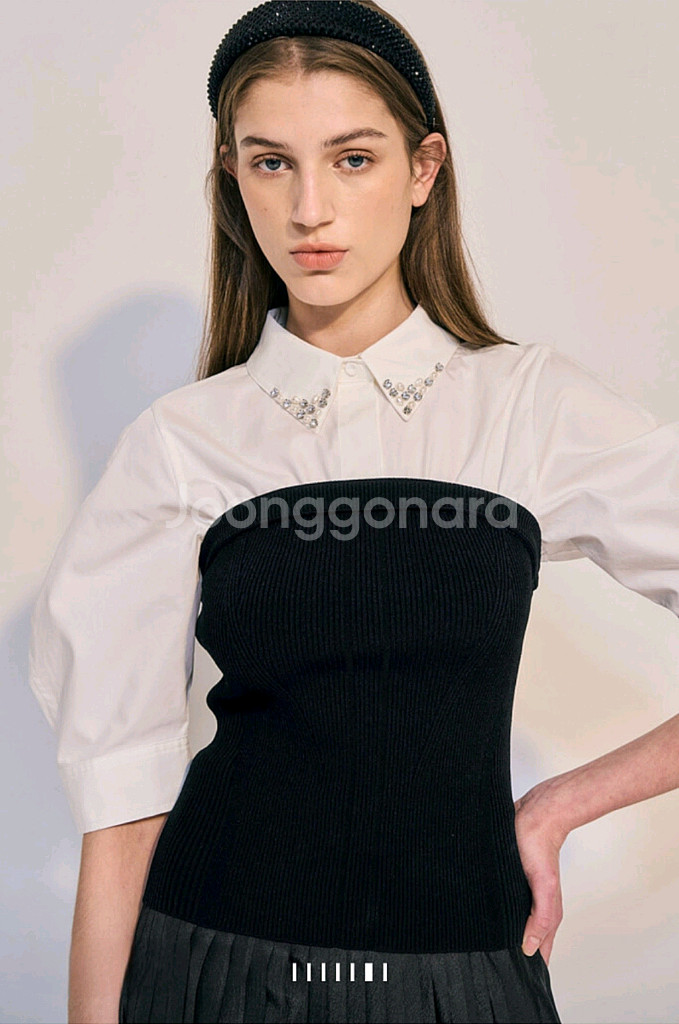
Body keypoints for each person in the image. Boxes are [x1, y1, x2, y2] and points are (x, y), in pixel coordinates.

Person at [27, 2, 679, 1022]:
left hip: (468, 973)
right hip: (216, 969)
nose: (309, 209)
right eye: (271, 163)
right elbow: (121, 816)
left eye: (353, 159)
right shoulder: (180, 443)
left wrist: (564, 802)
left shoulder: (529, 407)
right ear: (232, 180)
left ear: (423, 170)